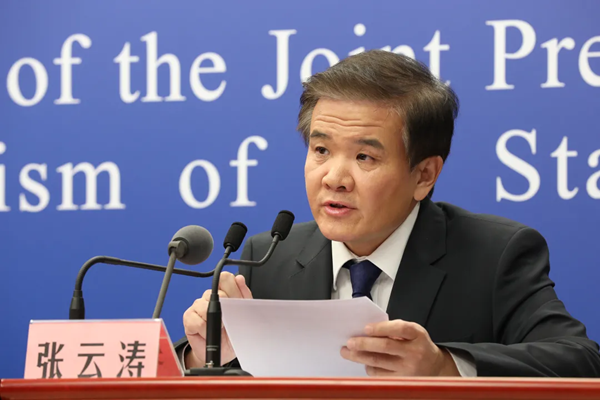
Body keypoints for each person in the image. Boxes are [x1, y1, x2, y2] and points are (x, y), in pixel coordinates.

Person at [176, 50, 600, 377]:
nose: (334, 178)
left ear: (424, 175)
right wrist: (204, 353)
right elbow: (226, 374)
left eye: (364, 157)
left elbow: (580, 359)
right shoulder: (270, 257)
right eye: (321, 150)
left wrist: (444, 367)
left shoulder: (493, 254)